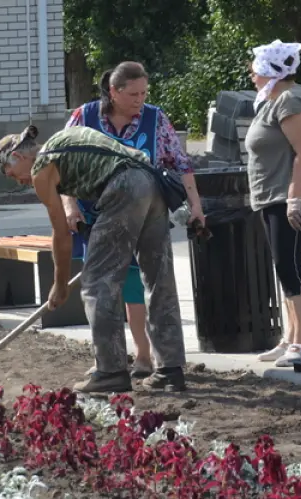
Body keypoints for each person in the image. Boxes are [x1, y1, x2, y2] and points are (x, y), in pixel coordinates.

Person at [0, 125, 190, 393]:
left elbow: (61, 234)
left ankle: (110, 371)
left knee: (98, 283)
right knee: (159, 278)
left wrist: (60, 284)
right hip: (153, 183)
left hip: (126, 186)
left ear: (17, 156)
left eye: (13, 175)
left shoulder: (41, 169)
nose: (20, 182)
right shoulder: (61, 144)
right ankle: (170, 370)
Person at [64, 61, 206, 379]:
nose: (140, 100)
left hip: (148, 208)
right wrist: (70, 206)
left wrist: (196, 206)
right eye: (133, 94)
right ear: (113, 92)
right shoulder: (84, 118)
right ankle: (112, 361)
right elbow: (62, 164)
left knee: (158, 282)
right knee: (104, 286)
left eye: (144, 93)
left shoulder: (154, 119)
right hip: (98, 216)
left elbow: (181, 163)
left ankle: (166, 367)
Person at [244, 40, 301, 367]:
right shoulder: (273, 99)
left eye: (255, 69)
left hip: (291, 196)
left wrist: (294, 199)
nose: (251, 74)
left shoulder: (291, 99)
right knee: (284, 267)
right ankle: (290, 338)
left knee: (290, 267)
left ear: (271, 70)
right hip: (273, 196)